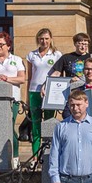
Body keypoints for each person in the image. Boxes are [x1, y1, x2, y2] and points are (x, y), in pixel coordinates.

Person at [0, 32, 27, 160]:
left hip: (12, 99)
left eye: (1, 44)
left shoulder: (16, 60)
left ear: (8, 46)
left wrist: (6, 79)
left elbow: (21, 79)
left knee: (9, 126)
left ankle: (15, 156)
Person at [24, 28, 60, 157]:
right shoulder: (31, 55)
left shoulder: (56, 55)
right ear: (38, 40)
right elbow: (29, 76)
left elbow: (60, 75)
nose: (44, 41)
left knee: (49, 123)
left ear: (50, 39)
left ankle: (48, 154)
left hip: (50, 92)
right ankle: (34, 156)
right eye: (41, 39)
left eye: (46, 38)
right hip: (34, 91)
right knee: (36, 125)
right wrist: (27, 97)